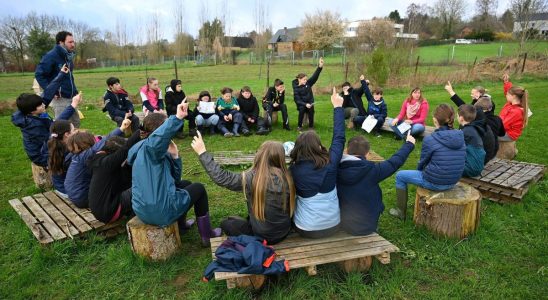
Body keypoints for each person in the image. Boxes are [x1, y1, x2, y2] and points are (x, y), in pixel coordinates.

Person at [127, 103, 221, 246]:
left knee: (186, 185)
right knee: (199, 189)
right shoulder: (152, 149)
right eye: (166, 128)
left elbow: (175, 181)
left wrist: (175, 156)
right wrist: (177, 118)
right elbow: (161, 136)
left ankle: (181, 226)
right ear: (160, 132)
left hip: (142, 209)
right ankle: (207, 235)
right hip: (159, 211)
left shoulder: (142, 148)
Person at [192, 135, 295, 245]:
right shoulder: (289, 176)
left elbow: (223, 177)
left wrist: (203, 153)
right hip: (283, 232)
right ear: (281, 158)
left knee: (226, 224)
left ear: (260, 156)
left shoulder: (252, 178)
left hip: (261, 235)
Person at [389, 104, 466, 220]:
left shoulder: (430, 139)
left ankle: (400, 211)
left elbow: (422, 162)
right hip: (454, 180)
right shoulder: (460, 136)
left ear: (435, 120)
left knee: (400, 176)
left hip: (435, 182)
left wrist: (421, 173)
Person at [289, 87, 344, 238]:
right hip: (333, 226)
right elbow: (339, 137)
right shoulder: (331, 162)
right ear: (319, 146)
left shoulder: (293, 169)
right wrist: (338, 107)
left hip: (305, 228)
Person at [338, 133, 415, 235]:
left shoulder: (335, 169)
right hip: (367, 226)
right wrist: (409, 144)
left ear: (346, 151)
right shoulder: (374, 171)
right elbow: (394, 162)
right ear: (367, 154)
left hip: (341, 223)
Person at [12, 66, 81, 169]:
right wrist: (73, 105)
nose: (44, 105)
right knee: (78, 152)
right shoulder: (33, 126)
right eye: (40, 105)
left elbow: (48, 91)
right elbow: (56, 125)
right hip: (43, 156)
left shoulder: (32, 110)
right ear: (32, 111)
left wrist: (61, 74)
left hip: (49, 145)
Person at [64, 121, 130, 208]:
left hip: (75, 195)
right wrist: (124, 133)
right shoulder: (85, 155)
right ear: (87, 143)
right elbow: (105, 141)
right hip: (83, 198)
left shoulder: (76, 156)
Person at [87, 131, 142, 224]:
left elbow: (122, 183)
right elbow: (126, 149)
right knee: (140, 188)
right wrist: (142, 129)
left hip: (99, 210)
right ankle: (136, 218)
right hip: (110, 213)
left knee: (130, 185)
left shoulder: (97, 159)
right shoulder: (108, 164)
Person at [35, 31, 80, 127]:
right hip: (59, 98)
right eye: (70, 42)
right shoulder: (51, 56)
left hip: (71, 97)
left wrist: (74, 92)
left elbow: (69, 77)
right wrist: (51, 91)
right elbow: (39, 75)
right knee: (62, 127)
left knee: (75, 124)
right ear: (61, 43)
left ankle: (75, 142)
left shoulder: (68, 56)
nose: (73, 44)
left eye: (73, 42)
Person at [445, 81, 497, 164]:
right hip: (486, 154)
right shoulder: (478, 114)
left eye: (472, 93)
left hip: (482, 158)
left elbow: (464, 108)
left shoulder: (485, 106)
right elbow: (465, 107)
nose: (471, 95)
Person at [292, 57, 324, 132]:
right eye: (304, 79)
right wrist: (305, 104)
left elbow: (314, 76)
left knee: (311, 109)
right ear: (299, 79)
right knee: (302, 109)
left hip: (309, 103)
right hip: (301, 104)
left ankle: (311, 126)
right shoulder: (296, 88)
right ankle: (299, 126)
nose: (306, 81)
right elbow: (297, 100)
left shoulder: (308, 83)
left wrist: (320, 67)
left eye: (306, 79)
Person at [48, 120, 74, 197]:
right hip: (69, 192)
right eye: (73, 130)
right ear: (67, 134)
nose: (75, 132)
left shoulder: (52, 143)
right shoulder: (70, 152)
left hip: (59, 187)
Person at [458, 104, 486, 177]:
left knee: (443, 164)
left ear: (461, 118)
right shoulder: (473, 128)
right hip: (478, 166)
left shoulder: (465, 132)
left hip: (470, 169)